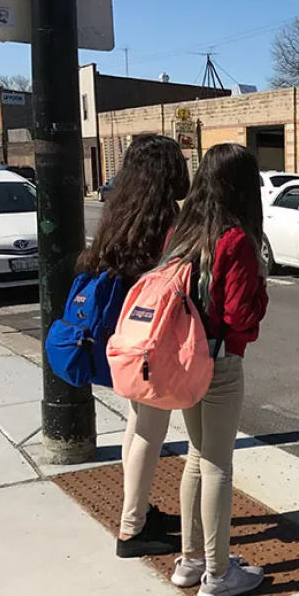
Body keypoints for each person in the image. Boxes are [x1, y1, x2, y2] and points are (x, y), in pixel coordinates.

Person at [162, 143, 269, 596]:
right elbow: (242, 317)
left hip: (182, 361)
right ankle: (220, 574)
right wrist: (262, 293)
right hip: (220, 363)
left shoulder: (182, 234)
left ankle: (191, 561)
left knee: (195, 456)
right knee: (218, 464)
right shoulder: (236, 240)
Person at [77, 134, 189, 558]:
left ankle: (138, 509)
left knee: (137, 423)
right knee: (149, 428)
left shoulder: (122, 213)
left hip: (125, 337)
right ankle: (132, 529)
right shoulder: (166, 221)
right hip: (151, 339)